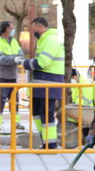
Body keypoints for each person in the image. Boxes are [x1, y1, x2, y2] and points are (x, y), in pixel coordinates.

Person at [18, 16, 65, 149]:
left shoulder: (51, 41)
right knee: (37, 112)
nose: (33, 33)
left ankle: (50, 144)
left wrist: (24, 63)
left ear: (40, 27)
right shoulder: (45, 40)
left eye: (33, 30)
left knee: (45, 113)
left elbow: (42, 63)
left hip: (49, 83)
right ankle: (44, 140)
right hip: (42, 83)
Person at [0, 21, 25, 130]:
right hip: (1, 77)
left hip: (13, 77)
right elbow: (0, 59)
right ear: (6, 29)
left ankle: (16, 123)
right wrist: (14, 59)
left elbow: (21, 54)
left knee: (15, 102)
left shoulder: (13, 41)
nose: (13, 30)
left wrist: (15, 58)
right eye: (11, 28)